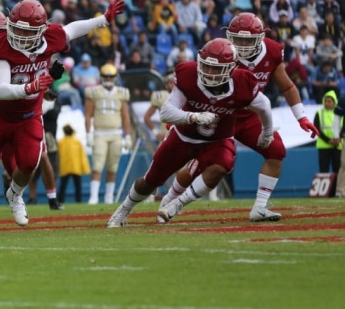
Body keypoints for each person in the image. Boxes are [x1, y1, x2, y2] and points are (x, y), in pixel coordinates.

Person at [0, 0, 127, 236]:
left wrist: (103, 20)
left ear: (42, 30)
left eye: (27, 30)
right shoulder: (1, 45)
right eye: (17, 29)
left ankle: (15, 194)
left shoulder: (52, 37)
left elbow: (73, 29)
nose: (20, 35)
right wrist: (31, 87)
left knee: (30, 163)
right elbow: (0, 89)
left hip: (28, 115)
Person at [159, 14, 319, 222]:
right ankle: (170, 199)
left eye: (248, 40)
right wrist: (184, 115)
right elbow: (198, 84)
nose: (242, 45)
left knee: (276, 151)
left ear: (260, 38)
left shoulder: (271, 51)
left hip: (250, 116)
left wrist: (301, 117)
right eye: (238, 38)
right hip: (220, 116)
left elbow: (287, 85)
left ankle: (260, 207)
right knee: (201, 165)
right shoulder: (221, 51)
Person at [106, 39, 274, 228]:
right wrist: (193, 117)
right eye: (206, 66)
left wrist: (267, 132)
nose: (208, 72)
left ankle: (177, 204)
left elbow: (264, 106)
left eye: (215, 68)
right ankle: (123, 210)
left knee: (223, 165)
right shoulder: (189, 75)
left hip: (217, 140)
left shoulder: (242, 82)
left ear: (231, 68)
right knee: (150, 181)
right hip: (183, 137)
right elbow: (166, 112)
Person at [85, 64, 132, 205]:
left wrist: (128, 136)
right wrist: (88, 133)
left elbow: (125, 116)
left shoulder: (122, 93)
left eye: (111, 76)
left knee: (113, 167)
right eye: (106, 76)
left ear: (115, 78)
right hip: (100, 133)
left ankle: (109, 198)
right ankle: (93, 197)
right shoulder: (93, 92)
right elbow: (88, 115)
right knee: (97, 166)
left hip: (116, 133)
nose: (108, 79)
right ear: (101, 77)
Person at [58, 125, 89, 204]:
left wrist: (84, 167)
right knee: (64, 185)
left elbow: (82, 155)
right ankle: (60, 200)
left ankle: (78, 200)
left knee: (76, 185)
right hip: (70, 167)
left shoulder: (75, 141)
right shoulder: (62, 142)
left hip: (74, 167)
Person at [314, 90, 342, 175]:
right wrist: (328, 140)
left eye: (329, 101)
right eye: (325, 101)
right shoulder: (319, 113)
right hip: (324, 146)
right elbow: (316, 128)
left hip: (337, 146)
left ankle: (337, 188)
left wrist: (339, 138)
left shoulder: (340, 112)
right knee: (324, 171)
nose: (326, 103)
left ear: (334, 102)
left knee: (338, 171)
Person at [143, 74, 175, 140]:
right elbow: (147, 117)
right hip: (166, 134)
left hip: (182, 136)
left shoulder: (184, 96)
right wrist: (156, 133)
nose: (173, 85)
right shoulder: (160, 96)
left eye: (175, 82)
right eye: (171, 82)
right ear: (166, 84)